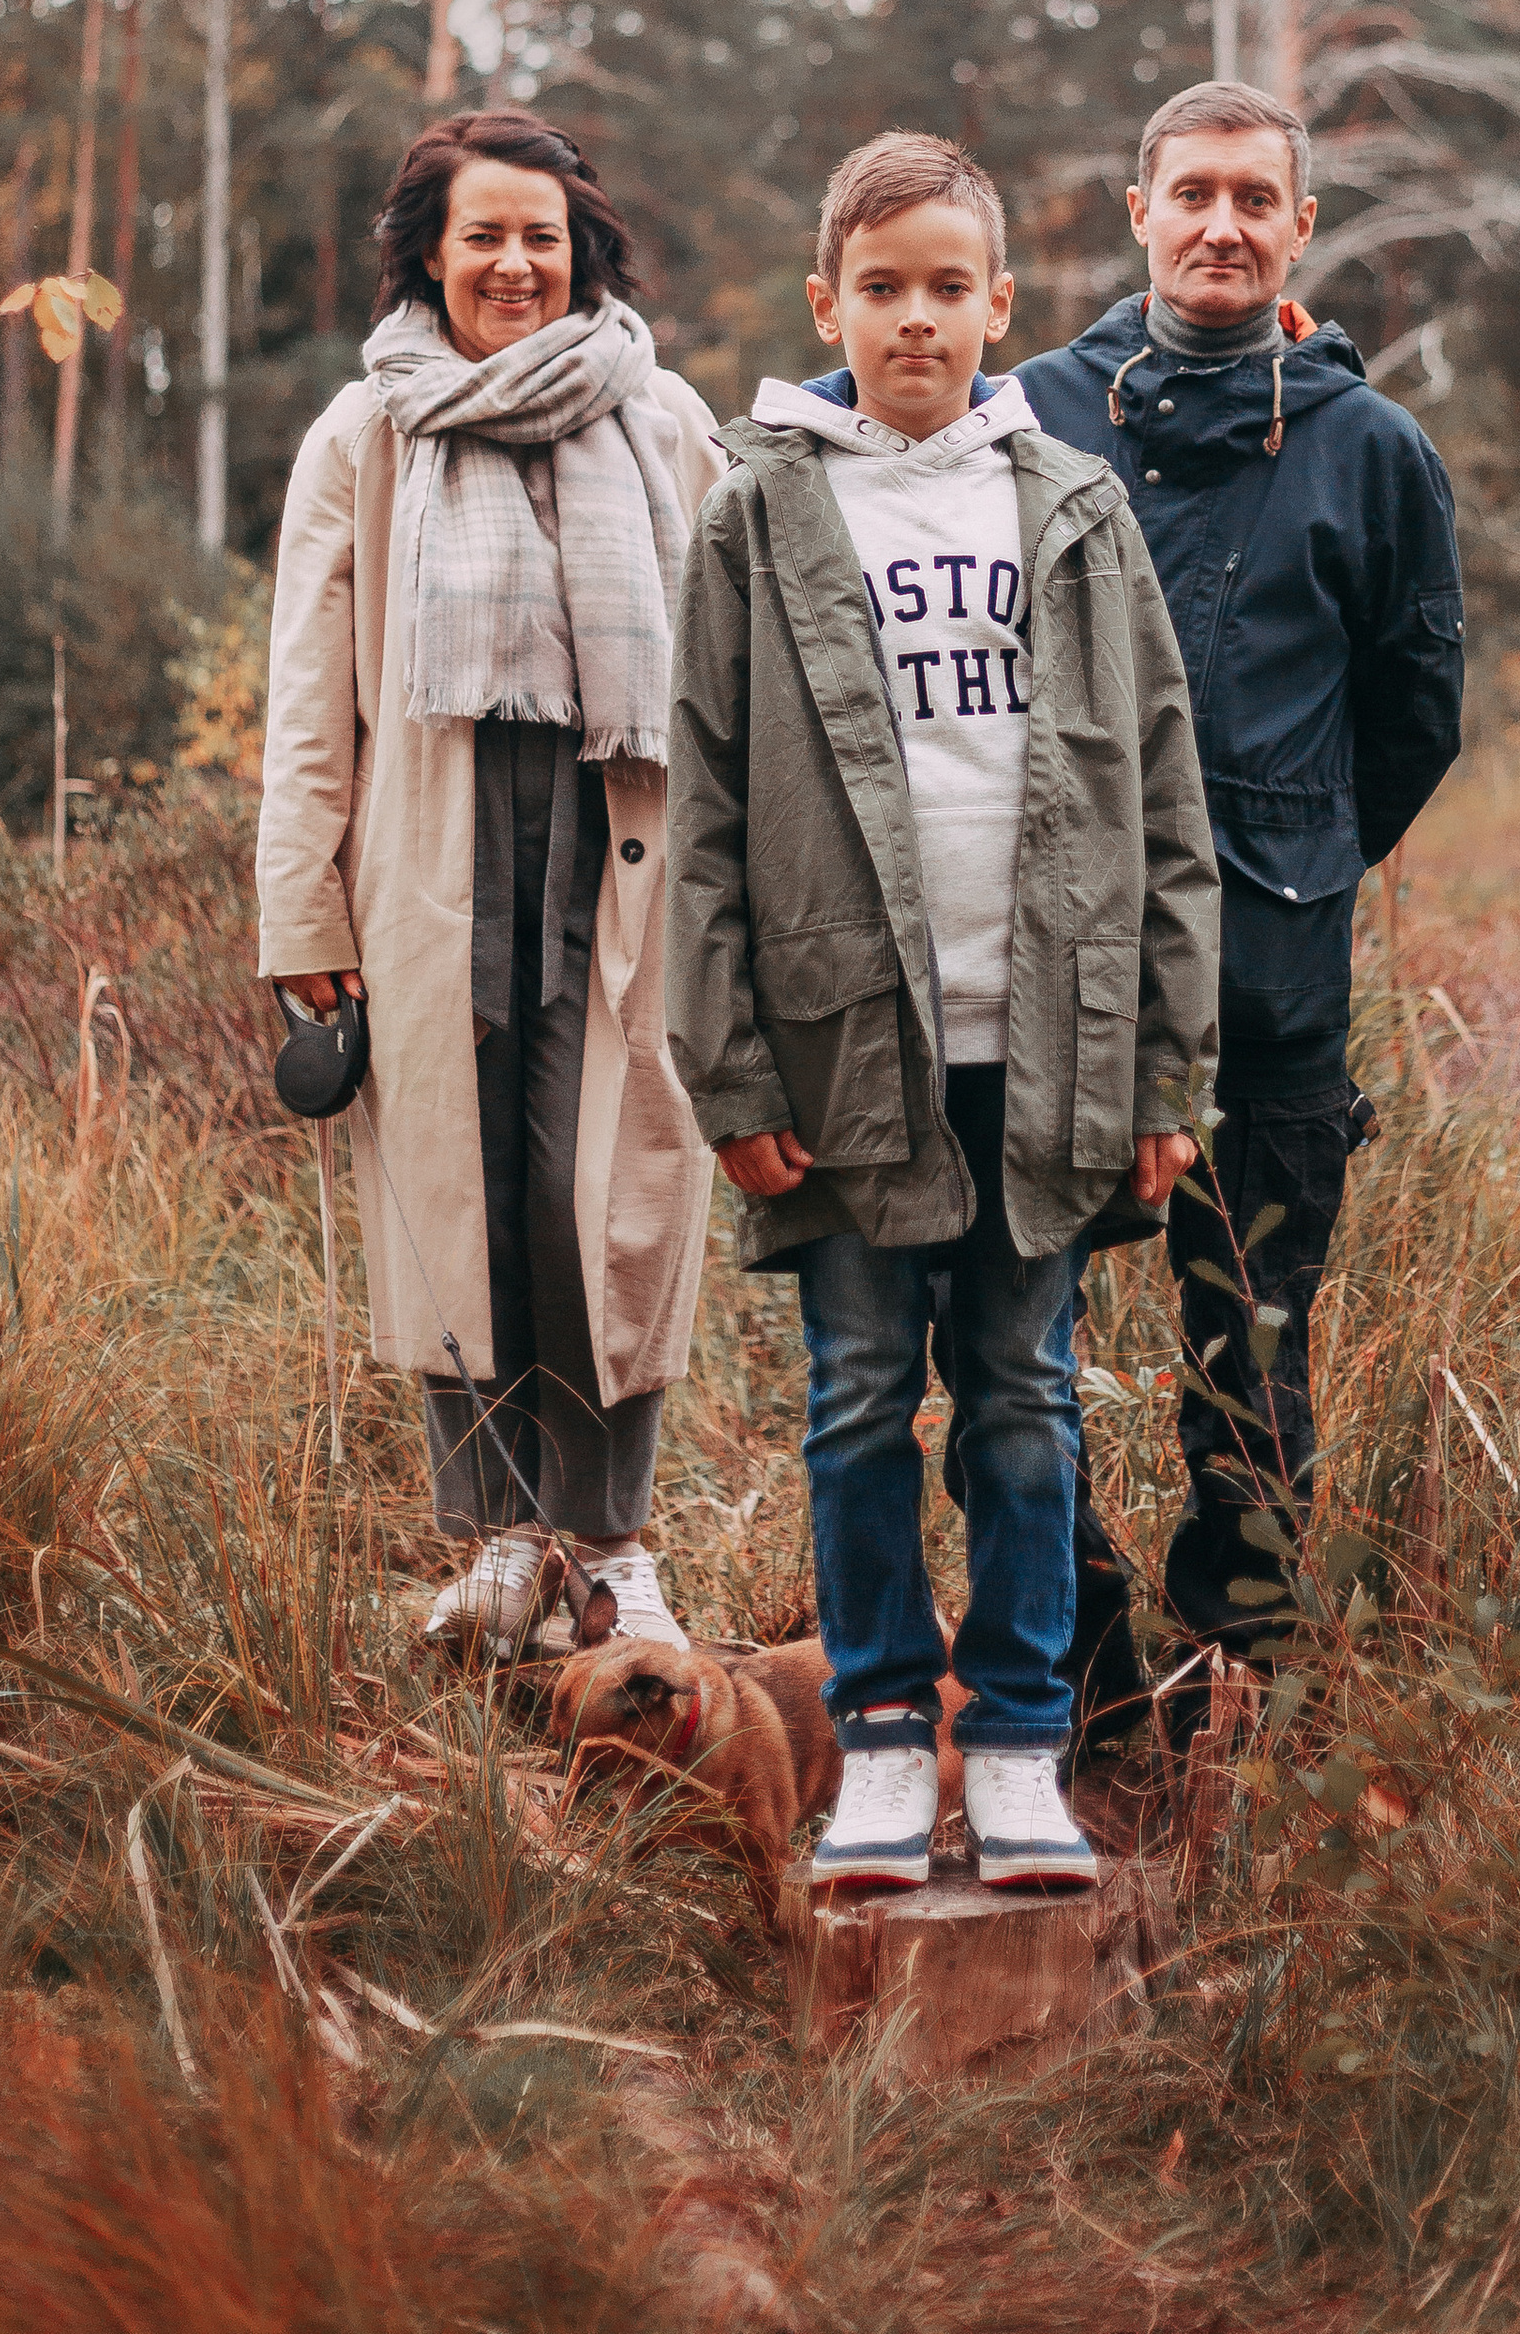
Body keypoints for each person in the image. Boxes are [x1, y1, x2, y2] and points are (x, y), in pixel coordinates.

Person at [665, 132, 1219, 1889]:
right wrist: (729, 1059)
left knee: (1022, 1402)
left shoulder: (1070, 510)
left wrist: (1161, 1063)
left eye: (951, 289)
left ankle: (1025, 1737)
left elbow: (1163, 799)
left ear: (1002, 306)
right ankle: (888, 1739)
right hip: (844, 1060)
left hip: (1042, 1051)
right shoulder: (762, 510)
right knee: (851, 1398)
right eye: (881, 288)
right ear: (827, 302)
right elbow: (698, 814)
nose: (917, 320)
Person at [1015, 81, 1465, 1729]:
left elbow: (1418, 714)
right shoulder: (1028, 417)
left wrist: (1295, 855)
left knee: (1253, 1356)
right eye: (1190, 191)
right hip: (1045, 975)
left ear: (1299, 229)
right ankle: (1077, 1672)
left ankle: (1242, 1693)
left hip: (1275, 990)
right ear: (1135, 208)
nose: (1220, 222)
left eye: (1253, 198)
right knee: (1013, 1352)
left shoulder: (1372, 449)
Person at [256, 109, 726, 1657]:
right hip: (435, 866)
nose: (515, 264)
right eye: (484, 237)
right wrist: (300, 914)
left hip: (624, 860)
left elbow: (730, 684)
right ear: (430, 256)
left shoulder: (665, 424)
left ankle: (612, 1546)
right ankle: (500, 1543)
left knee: (609, 1205)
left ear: (583, 246)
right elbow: (310, 694)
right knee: (469, 1208)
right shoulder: (366, 434)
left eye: (543, 236)